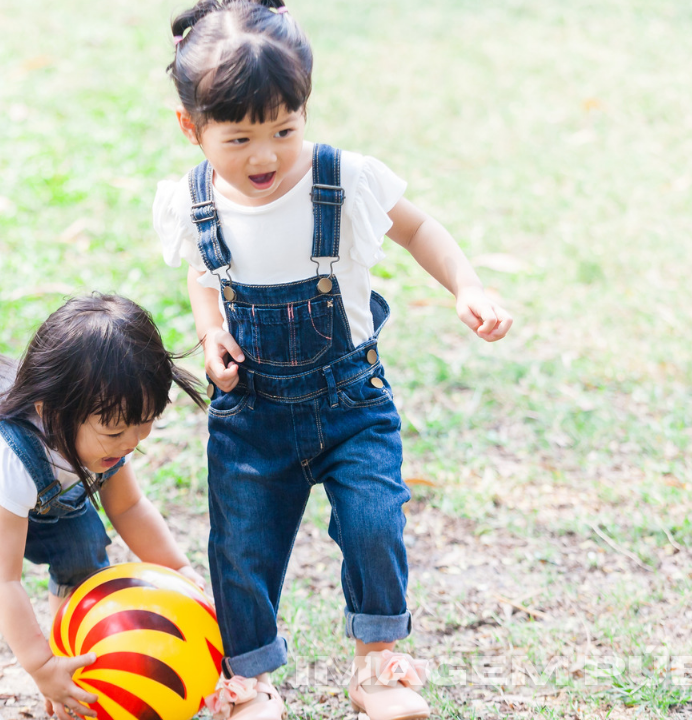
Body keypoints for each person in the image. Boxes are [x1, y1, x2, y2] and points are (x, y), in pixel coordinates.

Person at [153, 2, 514, 719]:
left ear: (305, 110)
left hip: (350, 404)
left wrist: (467, 283)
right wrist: (213, 330)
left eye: (285, 130)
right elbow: (203, 272)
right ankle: (249, 682)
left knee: (374, 524)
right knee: (241, 546)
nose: (265, 156)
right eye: (241, 137)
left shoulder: (344, 180)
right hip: (250, 413)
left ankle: (378, 668)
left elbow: (418, 229)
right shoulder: (189, 202)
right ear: (191, 128)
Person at [0, 294, 206, 720]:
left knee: (83, 546)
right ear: (53, 413)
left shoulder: (105, 432)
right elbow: (3, 578)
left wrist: (181, 573)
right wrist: (40, 666)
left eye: (144, 424)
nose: (131, 442)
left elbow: (129, 508)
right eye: (115, 432)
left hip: (22, 475)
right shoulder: (12, 455)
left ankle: (78, 667)